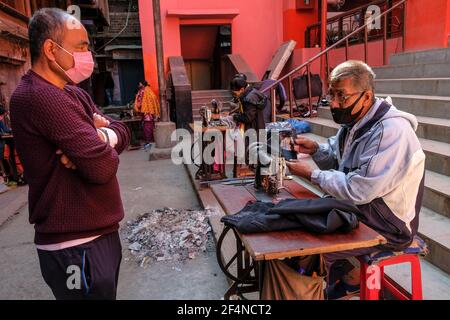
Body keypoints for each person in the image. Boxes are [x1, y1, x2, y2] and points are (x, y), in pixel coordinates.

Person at [9, 8, 131, 300]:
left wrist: (101, 135)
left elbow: (124, 130)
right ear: (51, 49)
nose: (88, 54)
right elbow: (102, 167)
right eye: (81, 47)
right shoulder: (39, 96)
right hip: (74, 247)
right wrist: (100, 147)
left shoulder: (72, 92)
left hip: (99, 235)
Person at [285, 60, 426, 299]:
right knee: (303, 224)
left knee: (314, 250)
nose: (335, 104)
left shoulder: (391, 132)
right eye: (332, 95)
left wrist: (311, 174)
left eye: (342, 96)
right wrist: (316, 150)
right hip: (364, 207)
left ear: (367, 97)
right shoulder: (355, 123)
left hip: (390, 224)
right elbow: (339, 161)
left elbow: (358, 189)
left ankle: (314, 288)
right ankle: (346, 279)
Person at [0, 105, 23, 186]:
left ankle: (13, 176)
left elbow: (6, 130)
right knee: (7, 154)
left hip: (4, 143)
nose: (2, 117)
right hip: (2, 145)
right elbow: (6, 131)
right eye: (2, 115)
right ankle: (11, 175)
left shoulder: (1, 122)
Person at [134, 81, 160, 149]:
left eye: (140, 83)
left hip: (146, 113)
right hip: (151, 113)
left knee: (147, 128)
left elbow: (139, 102)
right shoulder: (149, 91)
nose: (139, 84)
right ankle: (151, 141)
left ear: (142, 84)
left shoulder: (142, 92)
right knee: (150, 127)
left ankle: (149, 142)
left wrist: (138, 108)